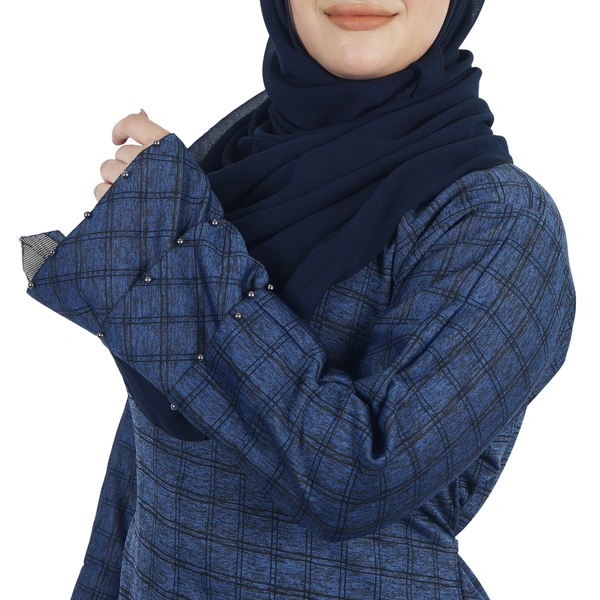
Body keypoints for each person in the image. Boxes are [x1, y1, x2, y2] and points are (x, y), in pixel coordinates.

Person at [21, 0, 575, 598]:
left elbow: (357, 478)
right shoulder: (236, 158)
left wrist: (176, 246)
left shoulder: (501, 222)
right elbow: (151, 465)